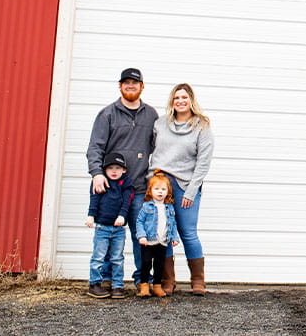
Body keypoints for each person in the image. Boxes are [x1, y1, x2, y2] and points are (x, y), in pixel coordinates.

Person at [86, 68, 161, 290]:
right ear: (120, 86)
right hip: (111, 189)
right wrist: (97, 174)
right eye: (126, 82)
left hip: (139, 188)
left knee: (142, 236)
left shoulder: (151, 115)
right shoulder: (107, 114)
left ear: (142, 86)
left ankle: (142, 280)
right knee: (109, 234)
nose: (130, 86)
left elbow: (158, 148)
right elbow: (94, 148)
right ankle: (107, 279)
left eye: (134, 83)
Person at [148, 83, 215, 296]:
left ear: (191, 100)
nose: (180, 101)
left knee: (188, 233)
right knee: (163, 233)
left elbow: (203, 163)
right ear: (172, 101)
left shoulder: (202, 126)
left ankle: (198, 280)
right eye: (176, 97)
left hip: (185, 185)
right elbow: (150, 149)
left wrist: (191, 191)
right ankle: (167, 281)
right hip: (160, 184)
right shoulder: (160, 123)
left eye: (184, 97)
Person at [85, 153, 133, 299]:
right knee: (98, 257)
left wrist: (122, 216)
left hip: (118, 228)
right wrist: (90, 216)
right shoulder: (100, 182)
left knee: (117, 258)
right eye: (110, 168)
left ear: (124, 170)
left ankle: (117, 285)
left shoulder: (126, 183)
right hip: (102, 227)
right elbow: (94, 199)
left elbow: (127, 202)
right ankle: (95, 284)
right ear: (104, 170)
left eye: (118, 168)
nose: (114, 171)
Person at [134, 170, 181, 298]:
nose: (160, 192)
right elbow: (139, 222)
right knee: (146, 263)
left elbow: (173, 224)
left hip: (163, 242)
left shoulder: (169, 208)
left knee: (159, 265)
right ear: (150, 191)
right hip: (148, 241)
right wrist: (142, 236)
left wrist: (174, 237)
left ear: (168, 192)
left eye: (163, 189)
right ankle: (144, 286)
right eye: (156, 189)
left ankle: (157, 286)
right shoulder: (146, 207)